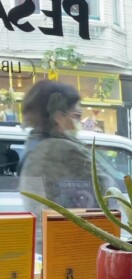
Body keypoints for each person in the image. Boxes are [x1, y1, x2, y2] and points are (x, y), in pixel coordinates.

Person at [18, 80, 113, 253]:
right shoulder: (59, 149)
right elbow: (105, 192)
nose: (78, 122)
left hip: (50, 245)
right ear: (59, 117)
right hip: (75, 246)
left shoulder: (35, 144)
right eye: (75, 115)